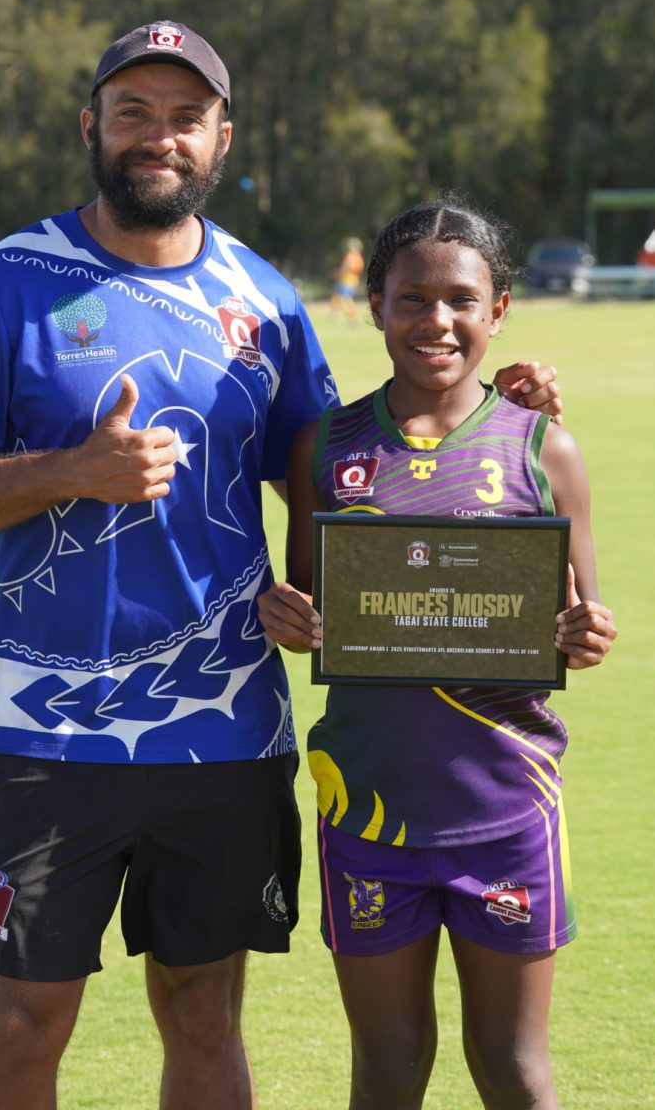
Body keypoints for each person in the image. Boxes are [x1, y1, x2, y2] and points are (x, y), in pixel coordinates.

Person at [0, 18, 564, 1110]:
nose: (160, 137)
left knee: (204, 1014)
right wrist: (72, 468)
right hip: (46, 732)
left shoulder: (264, 301)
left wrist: (489, 413)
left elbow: (347, 472)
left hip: (226, 731)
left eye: (185, 118)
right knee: (21, 1028)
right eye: (134, 113)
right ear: (92, 125)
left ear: (221, 136)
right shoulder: (7, 282)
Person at [257, 195, 616, 1110]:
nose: (437, 320)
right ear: (374, 302)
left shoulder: (545, 450)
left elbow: (577, 619)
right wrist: (288, 615)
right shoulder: (324, 446)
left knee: (512, 1068)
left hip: (505, 807)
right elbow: (314, 601)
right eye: (412, 298)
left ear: (499, 309)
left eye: (463, 299)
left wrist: (585, 637)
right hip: (369, 810)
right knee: (385, 1066)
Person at [330, 236, 365, 322]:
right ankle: (335, 314)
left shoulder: (351, 257)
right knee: (337, 295)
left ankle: (353, 317)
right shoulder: (359, 257)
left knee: (346, 298)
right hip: (351, 279)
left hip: (348, 279)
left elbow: (347, 267)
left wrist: (338, 273)